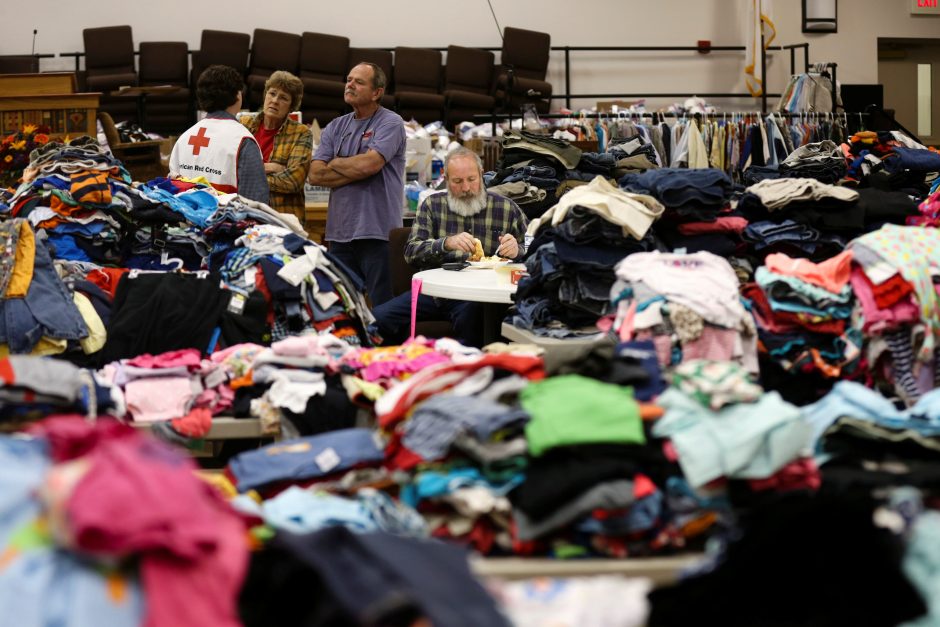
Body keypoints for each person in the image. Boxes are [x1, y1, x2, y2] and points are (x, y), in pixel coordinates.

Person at [372, 147, 528, 347]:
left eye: (472, 179)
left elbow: (535, 250)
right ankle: (399, 368)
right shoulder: (432, 205)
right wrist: (445, 244)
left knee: (473, 320)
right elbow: (411, 252)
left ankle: (468, 370)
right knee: (376, 319)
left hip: (476, 297)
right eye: (457, 181)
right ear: (446, 178)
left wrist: (518, 250)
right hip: (432, 295)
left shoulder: (506, 208)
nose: (466, 188)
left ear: (481, 175)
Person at [307, 62, 405, 306]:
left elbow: (369, 165)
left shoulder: (390, 123)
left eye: (359, 82)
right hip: (339, 235)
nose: (350, 84)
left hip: (378, 234)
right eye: (349, 79)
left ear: (377, 92)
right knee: (343, 309)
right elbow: (315, 174)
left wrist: (336, 162)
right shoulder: (335, 127)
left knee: (383, 309)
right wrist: (357, 167)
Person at [170, 64, 269, 203]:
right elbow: (256, 204)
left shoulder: (183, 139)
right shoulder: (243, 141)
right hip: (225, 223)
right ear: (237, 95)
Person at [239, 71, 312, 222]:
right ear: (265, 95)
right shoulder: (243, 125)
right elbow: (230, 168)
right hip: (244, 214)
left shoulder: (300, 133)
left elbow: (293, 181)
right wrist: (273, 168)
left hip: (281, 218)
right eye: (272, 93)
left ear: (291, 106)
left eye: (283, 98)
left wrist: (248, 174)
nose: (275, 100)